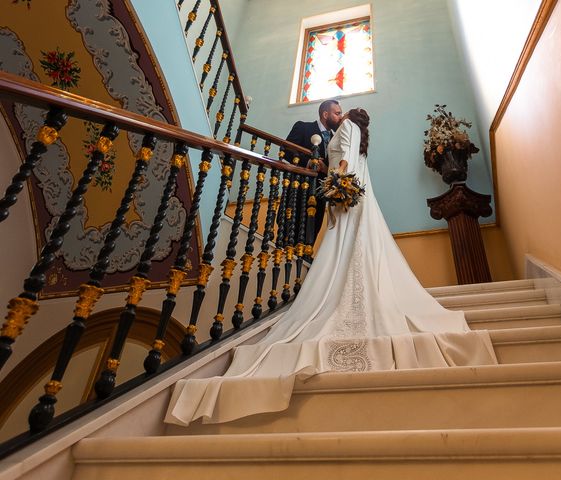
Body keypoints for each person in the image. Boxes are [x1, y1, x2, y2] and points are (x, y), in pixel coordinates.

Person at [165, 108, 497, 426]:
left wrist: (338, 184)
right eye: (336, 112)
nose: (339, 115)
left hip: (346, 193)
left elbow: (345, 158)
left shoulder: (347, 128)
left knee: (346, 250)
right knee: (350, 250)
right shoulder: (351, 131)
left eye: (344, 111)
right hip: (352, 197)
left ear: (351, 116)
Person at [284, 99, 343, 241]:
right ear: (325, 114)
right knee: (290, 229)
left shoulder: (338, 139)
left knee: (313, 229)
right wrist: (308, 161)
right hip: (299, 190)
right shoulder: (303, 127)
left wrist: (326, 168)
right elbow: (286, 150)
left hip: (320, 194)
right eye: (337, 113)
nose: (340, 117)